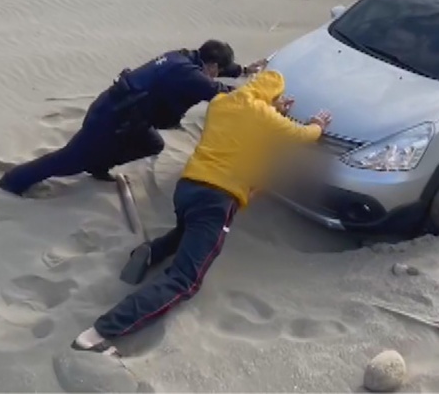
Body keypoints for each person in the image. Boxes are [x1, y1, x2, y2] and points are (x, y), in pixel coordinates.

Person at [70, 70, 332, 356]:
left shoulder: (221, 103)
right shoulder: (265, 116)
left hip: (188, 187)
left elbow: (245, 126)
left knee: (187, 230)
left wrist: (271, 107)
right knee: (185, 280)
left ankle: (150, 251)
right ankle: (98, 334)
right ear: (273, 96)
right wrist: (317, 124)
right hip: (217, 199)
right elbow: (304, 134)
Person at [0, 40, 267, 196]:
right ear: (211, 66)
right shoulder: (190, 76)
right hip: (111, 118)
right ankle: (11, 182)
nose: (218, 73)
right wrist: (267, 96)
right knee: (67, 160)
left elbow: (218, 73)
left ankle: (98, 165)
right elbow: (226, 95)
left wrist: (244, 69)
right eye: (218, 70)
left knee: (152, 144)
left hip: (124, 115)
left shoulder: (184, 57)